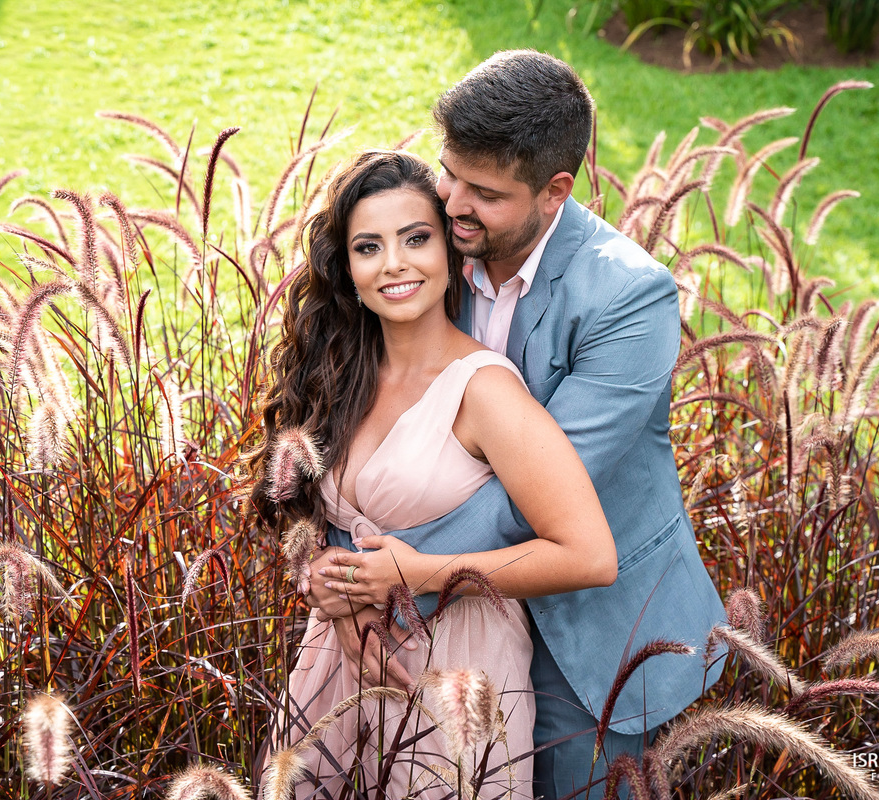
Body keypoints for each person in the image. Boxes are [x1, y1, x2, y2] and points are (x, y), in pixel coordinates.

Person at [310, 50, 728, 800]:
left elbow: (522, 494)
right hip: (445, 636)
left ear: (553, 190)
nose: (452, 202)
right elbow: (373, 433)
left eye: (484, 192)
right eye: (450, 174)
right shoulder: (438, 249)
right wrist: (346, 569)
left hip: (592, 630)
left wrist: (387, 582)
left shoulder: (629, 299)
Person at [248, 150, 618, 799]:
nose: (394, 263)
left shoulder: (485, 392)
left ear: (451, 252)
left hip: (455, 675)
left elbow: (588, 555)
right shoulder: (343, 375)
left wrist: (418, 574)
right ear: (349, 271)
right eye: (369, 246)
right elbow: (323, 520)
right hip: (339, 658)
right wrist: (332, 594)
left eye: (416, 238)